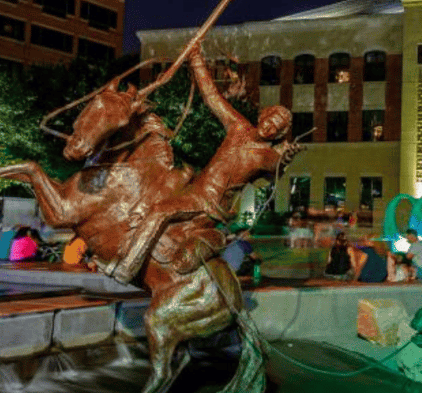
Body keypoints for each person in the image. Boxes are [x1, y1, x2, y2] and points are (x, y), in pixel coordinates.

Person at [106, 43, 301, 285]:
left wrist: (286, 158)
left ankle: (127, 267)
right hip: (196, 190)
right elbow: (212, 96)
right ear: (263, 115)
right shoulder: (238, 126)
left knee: (159, 211)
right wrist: (197, 60)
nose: (270, 126)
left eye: (276, 127)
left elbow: (276, 170)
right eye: (271, 119)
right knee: (151, 200)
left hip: (211, 203)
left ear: (278, 134)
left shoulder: (267, 156)